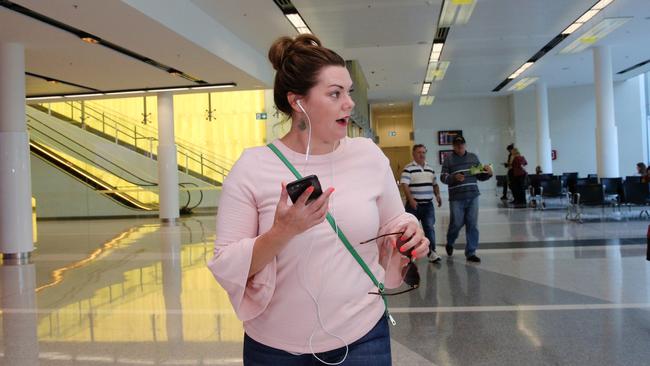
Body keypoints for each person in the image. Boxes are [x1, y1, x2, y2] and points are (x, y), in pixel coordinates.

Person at [207, 34, 429, 366]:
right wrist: (282, 231)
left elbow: (395, 221)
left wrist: (409, 235)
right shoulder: (252, 167)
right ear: (299, 103)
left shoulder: (368, 155)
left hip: (363, 336)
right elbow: (226, 263)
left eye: (349, 92)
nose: (349, 103)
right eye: (335, 94)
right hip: (273, 346)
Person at [440, 136, 493, 263]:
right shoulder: (448, 160)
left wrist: (489, 173)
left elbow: (480, 176)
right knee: (456, 223)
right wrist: (454, 177)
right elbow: (443, 177)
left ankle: (471, 252)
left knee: (472, 224)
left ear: (465, 145)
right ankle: (450, 242)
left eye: (462, 144)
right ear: (453, 146)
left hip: (473, 196)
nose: (460, 146)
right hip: (456, 198)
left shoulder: (473, 158)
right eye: (457, 145)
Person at [400, 144, 443, 263]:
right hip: (413, 205)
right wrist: (411, 199)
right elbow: (405, 185)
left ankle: (432, 253)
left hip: (428, 205)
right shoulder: (408, 168)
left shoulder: (430, 168)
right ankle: (409, 254)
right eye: (419, 152)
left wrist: (438, 195)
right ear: (413, 154)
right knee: (410, 230)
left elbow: (435, 184)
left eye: (423, 152)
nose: (422, 154)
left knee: (429, 228)